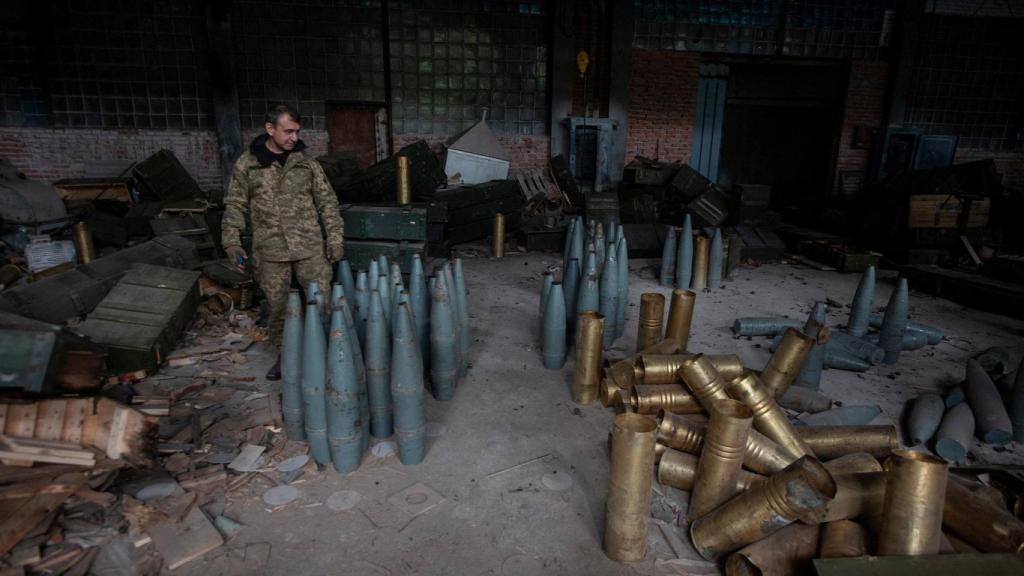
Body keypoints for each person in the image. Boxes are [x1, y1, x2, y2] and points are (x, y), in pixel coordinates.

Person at [221, 104, 344, 380]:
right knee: (277, 311)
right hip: (270, 250)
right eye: (288, 131)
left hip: (309, 248)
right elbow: (234, 205)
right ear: (270, 129)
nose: (294, 137)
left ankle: (323, 356)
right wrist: (232, 242)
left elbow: (328, 203)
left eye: (297, 131)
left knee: (320, 302)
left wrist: (334, 238)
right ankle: (286, 358)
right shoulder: (247, 165)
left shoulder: (306, 164)